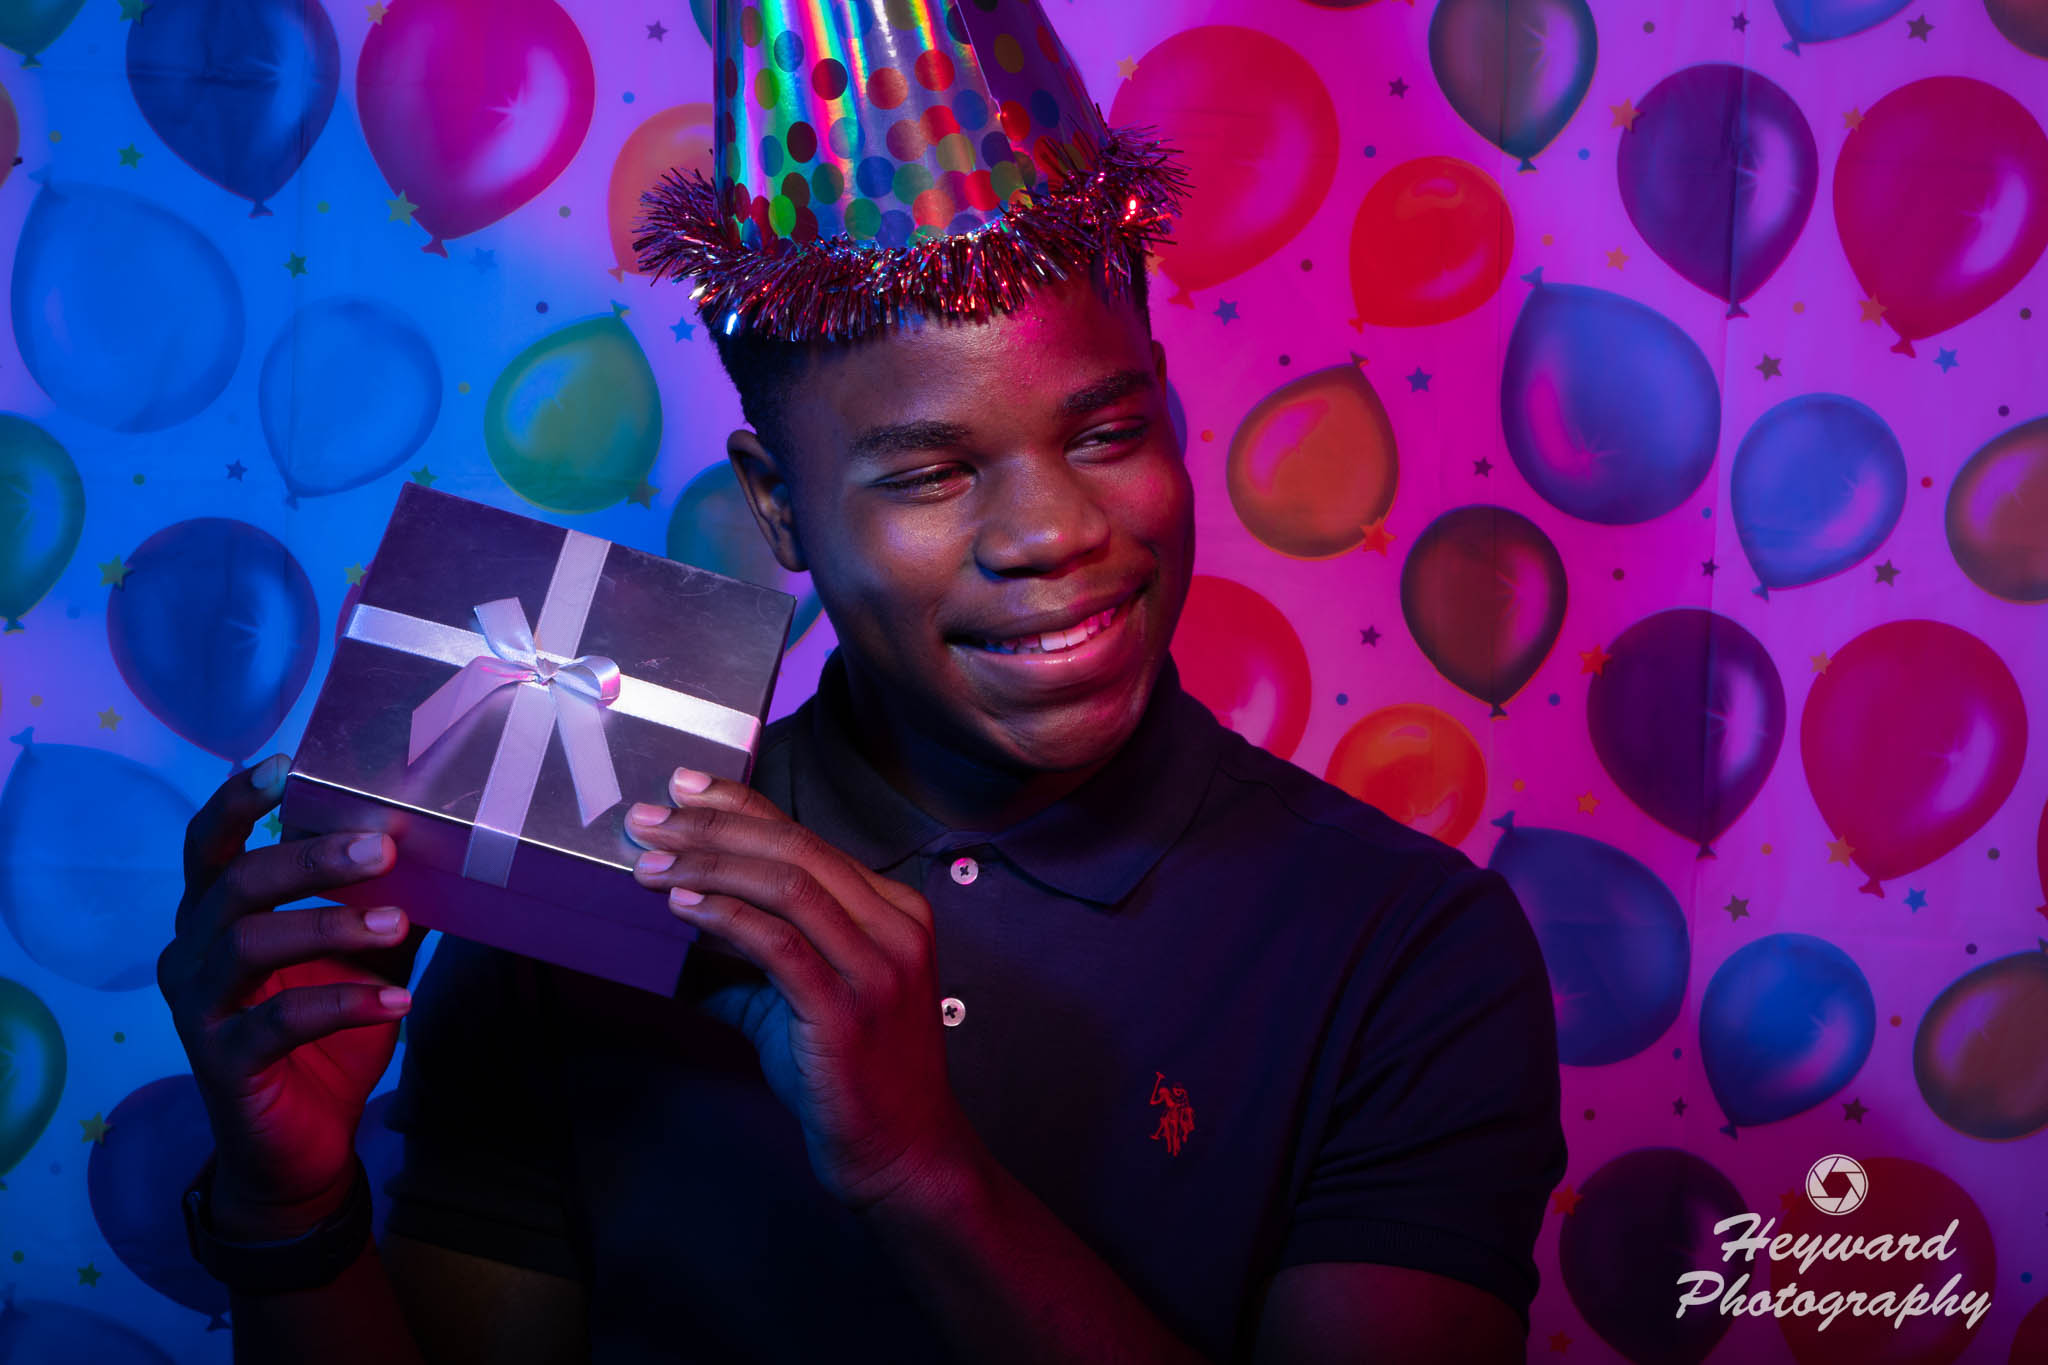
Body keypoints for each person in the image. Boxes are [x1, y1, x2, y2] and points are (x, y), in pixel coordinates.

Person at [155, 4, 1567, 1361]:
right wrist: (288, 1208)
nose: (1055, 533)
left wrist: (920, 1170)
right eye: (934, 474)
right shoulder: (576, 873)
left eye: (1111, 429)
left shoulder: (1412, 953)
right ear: (780, 507)